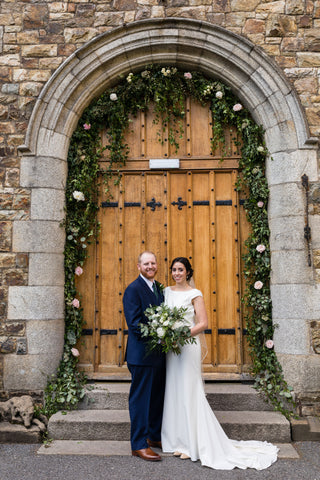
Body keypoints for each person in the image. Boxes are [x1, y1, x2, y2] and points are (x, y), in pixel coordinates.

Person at [161, 256, 278, 470]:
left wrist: (181, 333)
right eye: (174, 270)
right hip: (172, 349)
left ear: (188, 272)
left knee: (189, 390)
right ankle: (176, 440)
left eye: (180, 269)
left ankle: (191, 443)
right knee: (174, 389)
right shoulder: (166, 292)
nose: (176, 273)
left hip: (187, 346)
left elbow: (203, 323)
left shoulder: (195, 294)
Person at [123, 251, 166, 462]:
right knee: (140, 401)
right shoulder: (133, 289)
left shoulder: (158, 288)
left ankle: (153, 436)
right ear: (138, 266)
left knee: (156, 398)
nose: (150, 266)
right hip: (141, 355)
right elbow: (134, 323)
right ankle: (138, 445)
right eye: (146, 263)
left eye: (153, 263)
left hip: (159, 355)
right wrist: (159, 336)